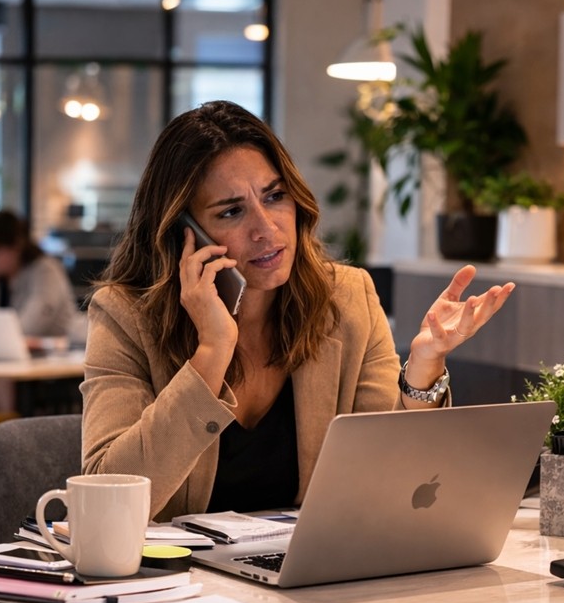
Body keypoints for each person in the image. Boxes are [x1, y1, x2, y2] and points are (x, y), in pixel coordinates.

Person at [80, 100, 514, 522]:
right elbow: (107, 499)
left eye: (274, 196)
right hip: (177, 586)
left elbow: (385, 473)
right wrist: (212, 350)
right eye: (232, 211)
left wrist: (425, 363)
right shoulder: (124, 315)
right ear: (184, 235)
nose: (266, 230)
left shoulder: (347, 297)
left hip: (303, 577)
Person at [0, 208, 79, 339]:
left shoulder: (45, 271)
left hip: (56, 355)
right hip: (6, 352)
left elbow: (30, 327)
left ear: (17, 245)